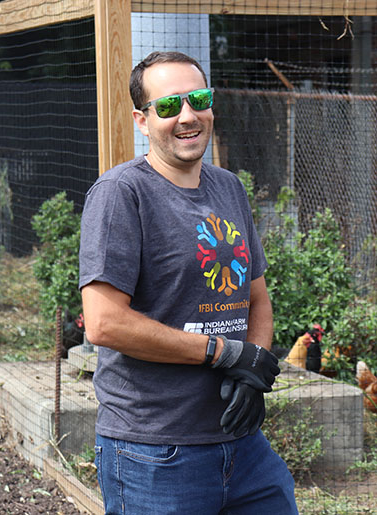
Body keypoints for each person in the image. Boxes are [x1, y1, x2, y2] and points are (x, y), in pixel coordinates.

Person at [79, 51, 299, 514]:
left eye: (197, 99)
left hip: (243, 447)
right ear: (142, 120)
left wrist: (255, 367)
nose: (187, 116)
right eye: (168, 106)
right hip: (154, 451)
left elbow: (257, 298)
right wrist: (222, 353)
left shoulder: (229, 188)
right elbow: (104, 324)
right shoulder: (122, 194)